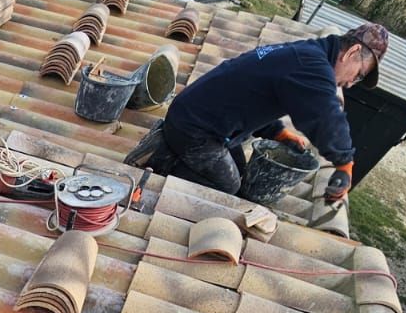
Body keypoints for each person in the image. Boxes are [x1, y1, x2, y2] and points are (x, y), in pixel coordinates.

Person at [125, 23, 389, 204]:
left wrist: (279, 133)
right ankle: (160, 162)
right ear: (353, 52)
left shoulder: (305, 54)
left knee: (241, 172)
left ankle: (172, 147)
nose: (350, 84)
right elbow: (326, 116)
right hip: (194, 128)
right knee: (227, 187)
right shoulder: (314, 66)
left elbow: (253, 97)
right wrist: (344, 164)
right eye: (358, 75)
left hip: (204, 119)